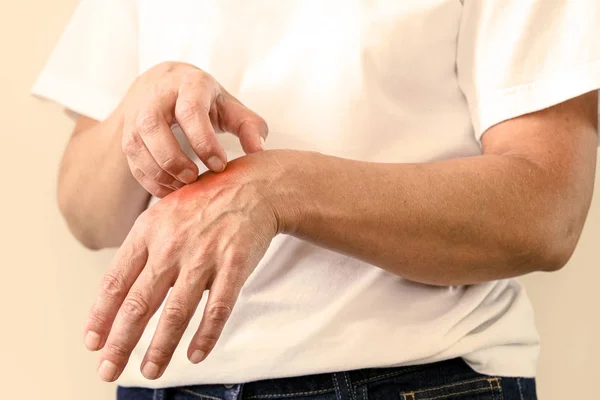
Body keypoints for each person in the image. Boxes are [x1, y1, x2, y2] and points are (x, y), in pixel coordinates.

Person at [33, 0, 600, 399]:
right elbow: (88, 216)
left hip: (409, 377)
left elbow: (546, 213)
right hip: (161, 388)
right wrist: (143, 103)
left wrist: (277, 189)